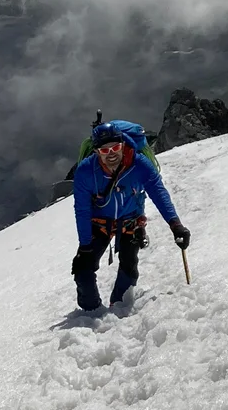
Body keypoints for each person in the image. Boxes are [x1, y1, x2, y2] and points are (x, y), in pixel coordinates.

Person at [70, 121, 189, 312]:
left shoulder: (139, 164)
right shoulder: (85, 171)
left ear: (123, 144)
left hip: (130, 220)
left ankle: (119, 305)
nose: (111, 154)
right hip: (99, 222)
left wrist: (175, 224)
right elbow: (82, 210)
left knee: (129, 264)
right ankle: (91, 311)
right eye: (104, 150)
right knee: (83, 268)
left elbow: (158, 193)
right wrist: (85, 246)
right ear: (96, 151)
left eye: (115, 147)